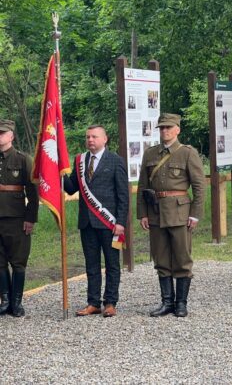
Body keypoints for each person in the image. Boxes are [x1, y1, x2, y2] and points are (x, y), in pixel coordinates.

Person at [137, 113, 205, 317]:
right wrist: (143, 214)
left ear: (177, 130)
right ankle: (167, 302)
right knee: (161, 258)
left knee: (182, 258)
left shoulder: (187, 153)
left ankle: (181, 303)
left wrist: (195, 215)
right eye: (161, 128)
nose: (164, 131)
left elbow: (199, 187)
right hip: (156, 212)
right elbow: (143, 186)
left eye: (168, 127)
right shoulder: (150, 154)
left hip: (179, 212)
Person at [64, 125, 129, 317]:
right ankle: (93, 302)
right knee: (91, 265)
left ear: (104, 139)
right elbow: (71, 188)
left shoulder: (116, 161)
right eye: (88, 137)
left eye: (94, 136)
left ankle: (110, 302)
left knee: (112, 264)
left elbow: (123, 195)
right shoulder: (80, 161)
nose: (90, 140)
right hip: (87, 223)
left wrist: (121, 222)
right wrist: (58, 172)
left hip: (110, 224)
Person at [0, 119, 38, 317]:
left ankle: (17, 303)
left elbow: (32, 192)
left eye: (2, 133)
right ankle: (5, 301)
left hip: (16, 218)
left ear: (11, 136)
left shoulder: (23, 159)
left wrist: (30, 219)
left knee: (18, 262)